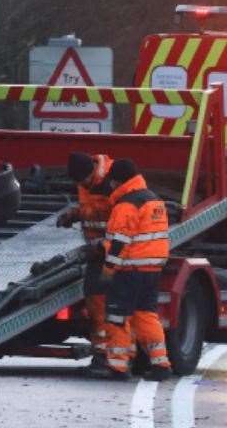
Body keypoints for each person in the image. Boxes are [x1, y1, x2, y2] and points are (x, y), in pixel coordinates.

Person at [90, 159, 172, 381]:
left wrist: (108, 270)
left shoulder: (126, 205)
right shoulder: (154, 200)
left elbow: (119, 243)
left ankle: (118, 367)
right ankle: (160, 364)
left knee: (117, 317)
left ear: (118, 181)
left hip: (129, 271)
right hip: (151, 270)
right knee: (146, 316)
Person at [57, 152, 114, 369]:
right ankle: (103, 352)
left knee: (102, 301)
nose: (83, 185)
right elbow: (91, 208)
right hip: (97, 252)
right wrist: (74, 214)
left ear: (92, 171)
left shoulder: (112, 181)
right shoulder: (87, 182)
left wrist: (103, 245)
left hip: (114, 252)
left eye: (84, 180)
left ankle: (106, 354)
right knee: (94, 299)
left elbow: (123, 219)